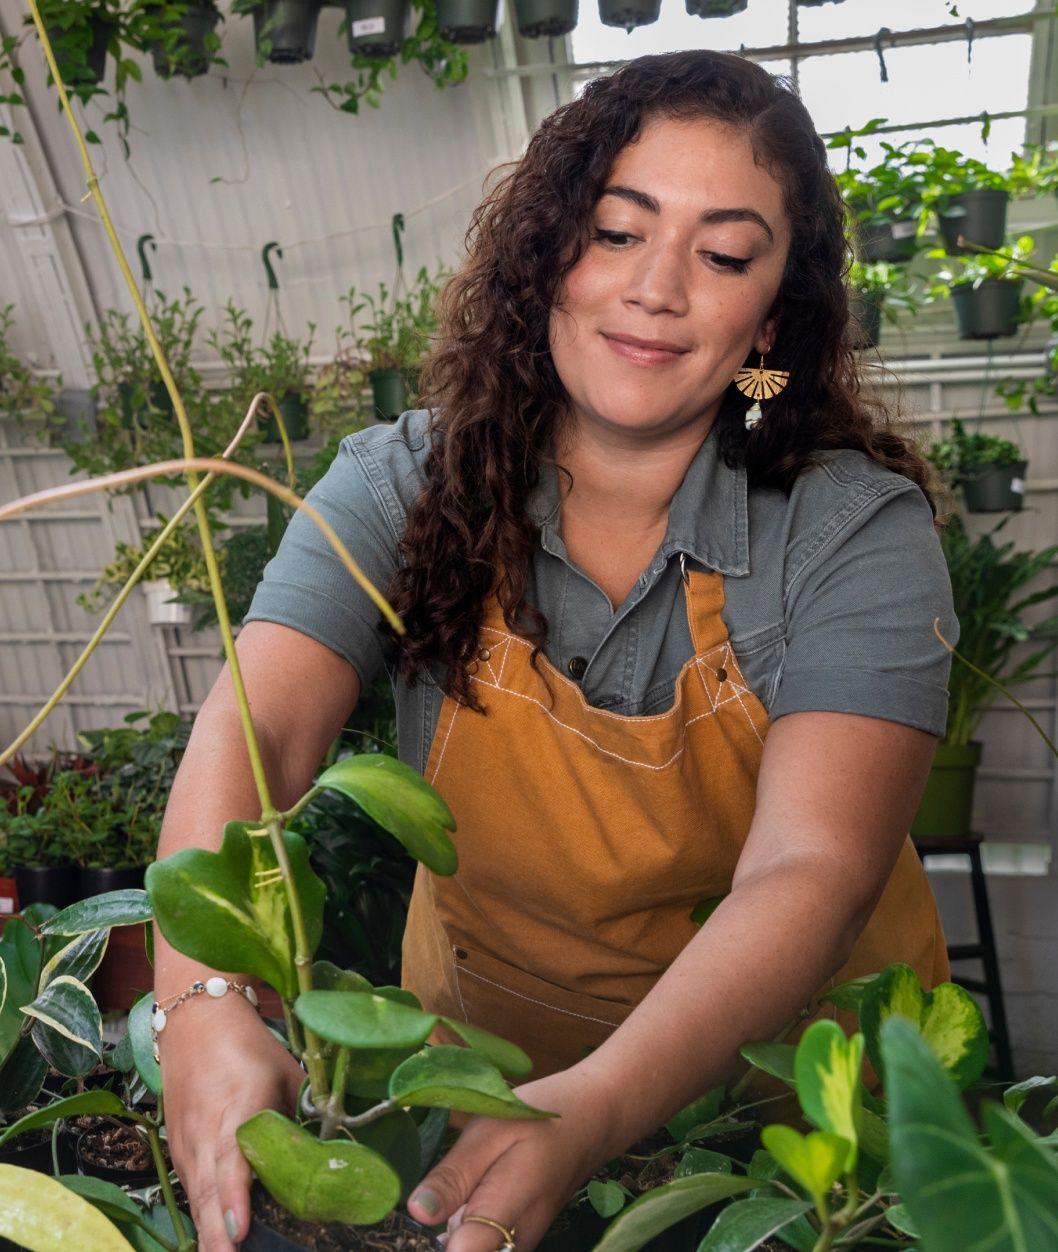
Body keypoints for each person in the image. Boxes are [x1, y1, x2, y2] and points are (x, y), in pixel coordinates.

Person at [155, 48, 958, 1252]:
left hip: (789, 1138)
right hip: (476, 1080)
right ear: (544, 254)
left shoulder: (851, 536)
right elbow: (259, 732)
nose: (657, 289)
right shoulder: (402, 487)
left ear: (774, 316)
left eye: (725, 254)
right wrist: (205, 1001)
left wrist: (594, 1108)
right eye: (615, 232)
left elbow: (809, 869)